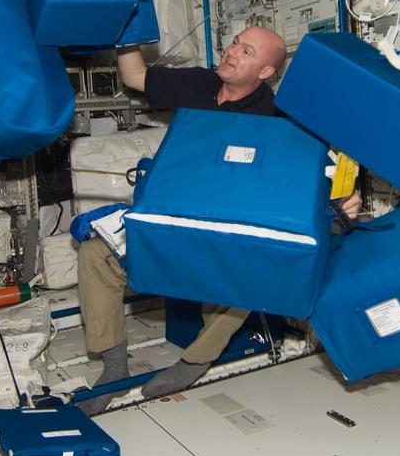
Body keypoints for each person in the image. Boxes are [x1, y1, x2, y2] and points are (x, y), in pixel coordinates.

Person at [76, 27, 360, 415]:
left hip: (220, 240)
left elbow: (320, 176)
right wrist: (128, 27)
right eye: (233, 44)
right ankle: (113, 364)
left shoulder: (281, 120)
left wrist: (345, 198)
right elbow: (134, 76)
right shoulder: (198, 83)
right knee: (94, 254)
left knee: (250, 279)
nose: (231, 53)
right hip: (169, 224)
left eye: (246, 51)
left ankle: (195, 361)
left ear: (264, 73)